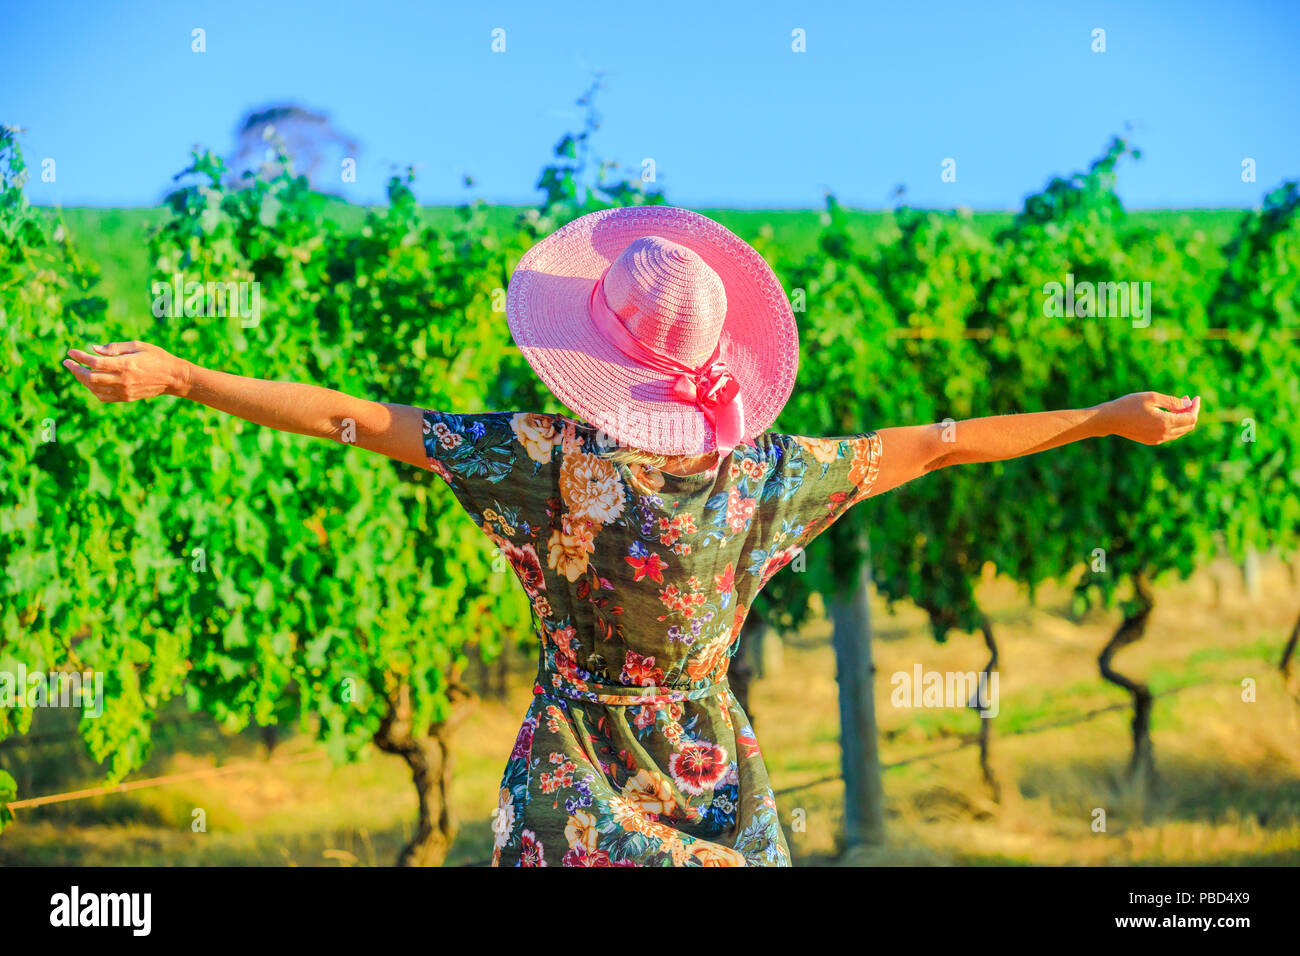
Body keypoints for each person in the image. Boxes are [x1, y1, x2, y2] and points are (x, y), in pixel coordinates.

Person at [63, 205, 1200, 866]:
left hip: (571, 781)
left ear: (597, 356)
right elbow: (946, 442)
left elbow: (351, 418)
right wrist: (1103, 416)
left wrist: (183, 374)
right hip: (717, 777)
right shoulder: (768, 472)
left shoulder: (543, 457)